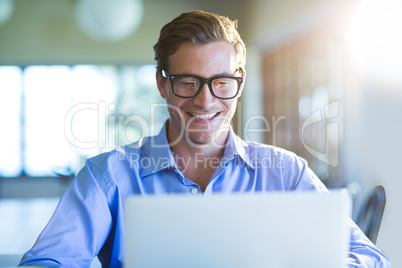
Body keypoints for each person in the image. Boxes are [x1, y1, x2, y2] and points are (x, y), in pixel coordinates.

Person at [19, 10, 390, 268]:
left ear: (238, 84)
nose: (205, 100)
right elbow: (47, 262)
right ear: (163, 83)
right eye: (188, 82)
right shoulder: (108, 176)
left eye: (221, 82)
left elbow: (369, 257)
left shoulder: (286, 173)